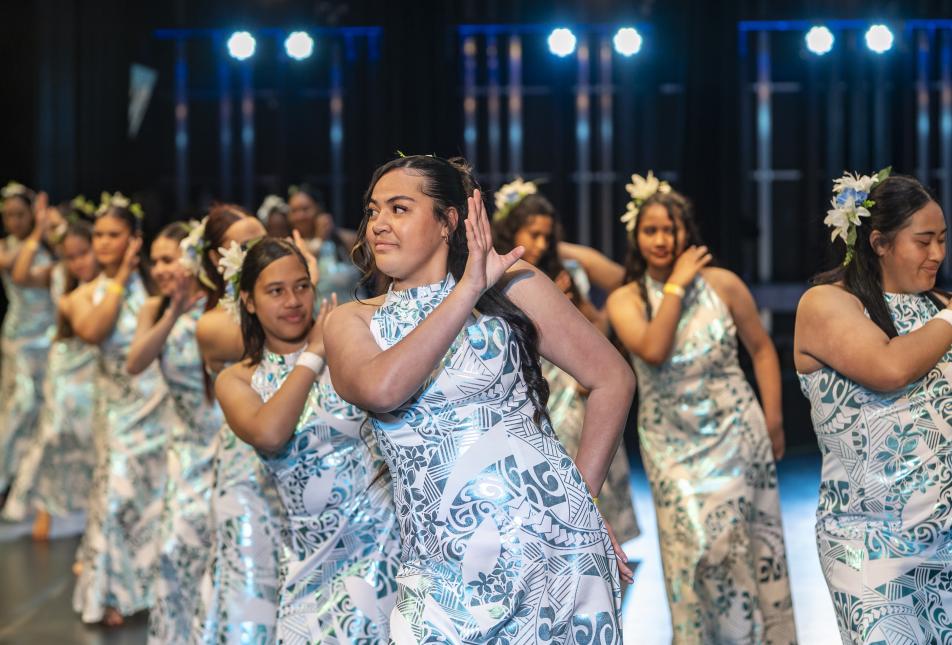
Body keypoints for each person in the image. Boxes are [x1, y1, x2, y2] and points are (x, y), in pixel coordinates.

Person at [325, 155, 634, 642]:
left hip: (555, 556)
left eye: (399, 209)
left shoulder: (514, 284)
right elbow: (381, 389)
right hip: (440, 579)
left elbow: (613, 379)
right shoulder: (352, 320)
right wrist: (466, 290)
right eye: (372, 210)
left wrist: (582, 502)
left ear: (448, 221)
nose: (378, 223)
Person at [606, 173, 795, 643]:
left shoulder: (723, 285)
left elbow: (763, 350)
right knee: (692, 553)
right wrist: (675, 288)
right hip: (671, 447)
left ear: (687, 233)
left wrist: (772, 419)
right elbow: (653, 349)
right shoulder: (625, 299)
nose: (662, 240)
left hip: (737, 433)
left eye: (671, 229)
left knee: (742, 550)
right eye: (651, 230)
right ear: (636, 236)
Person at [215, 237, 401, 642]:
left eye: (302, 286)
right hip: (311, 554)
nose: (294, 301)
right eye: (276, 291)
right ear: (248, 301)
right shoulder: (236, 379)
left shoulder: (349, 347)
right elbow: (270, 433)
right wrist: (313, 355)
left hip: (385, 539)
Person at [794, 170, 952, 644]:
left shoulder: (939, 309)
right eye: (923, 241)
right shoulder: (827, 304)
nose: (938, 255)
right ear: (879, 242)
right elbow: (889, 368)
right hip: (867, 543)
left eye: (943, 240)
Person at [492, 178, 640, 549]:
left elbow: (602, 326)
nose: (541, 244)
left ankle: (592, 541)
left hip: (571, 382)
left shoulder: (566, 270)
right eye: (533, 234)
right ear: (512, 230)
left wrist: (575, 302)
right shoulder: (491, 279)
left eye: (547, 236)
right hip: (530, 385)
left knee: (585, 454)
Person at [66, 192, 178, 626]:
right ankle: (108, 592)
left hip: (160, 406)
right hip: (117, 411)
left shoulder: (157, 286)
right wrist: (119, 278)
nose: (103, 243)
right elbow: (96, 331)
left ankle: (148, 591)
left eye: (114, 234)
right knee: (116, 498)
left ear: (134, 238)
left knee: (153, 503)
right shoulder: (84, 295)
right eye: (98, 235)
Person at [190, 204, 284, 643]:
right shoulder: (212, 324)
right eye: (246, 246)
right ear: (217, 260)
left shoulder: (285, 304)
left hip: (293, 456)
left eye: (263, 240)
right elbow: (267, 336)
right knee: (249, 571)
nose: (261, 251)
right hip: (245, 466)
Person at [125, 221, 223, 643]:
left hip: (226, 443)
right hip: (184, 447)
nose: (162, 269)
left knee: (219, 552)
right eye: (157, 261)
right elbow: (135, 363)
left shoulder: (222, 305)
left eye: (170, 259)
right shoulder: (154, 308)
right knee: (172, 549)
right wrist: (174, 311)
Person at [2, 213, 99, 539]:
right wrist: (37, 232)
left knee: (89, 435)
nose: (77, 262)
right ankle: (38, 506)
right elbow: (18, 273)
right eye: (70, 256)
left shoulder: (109, 283)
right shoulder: (57, 274)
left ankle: (83, 506)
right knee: (52, 430)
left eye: (83, 253)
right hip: (63, 362)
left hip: (93, 366)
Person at [0, 182, 55, 500]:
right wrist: (37, 233)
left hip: (46, 337)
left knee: (40, 408)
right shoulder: (6, 247)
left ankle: (28, 480)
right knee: (18, 404)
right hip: (18, 338)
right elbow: (16, 271)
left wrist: (45, 227)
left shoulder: (45, 244)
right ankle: (5, 475)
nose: (14, 222)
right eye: (8, 216)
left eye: (20, 215)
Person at [288, 184, 362, 303]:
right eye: (294, 211)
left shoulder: (344, 240)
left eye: (305, 209)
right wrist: (319, 239)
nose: (299, 216)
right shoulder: (289, 245)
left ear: (318, 209)